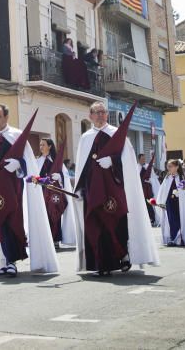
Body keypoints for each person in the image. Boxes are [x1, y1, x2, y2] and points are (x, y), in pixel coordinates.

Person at [0, 105, 58, 277]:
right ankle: (5, 259)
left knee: (12, 223)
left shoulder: (16, 135)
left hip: (13, 190)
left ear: (6, 117)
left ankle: (12, 261)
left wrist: (19, 165)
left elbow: (28, 162)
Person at [74, 101, 159, 276]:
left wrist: (113, 161)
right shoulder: (86, 137)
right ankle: (100, 264)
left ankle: (123, 256)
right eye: (96, 112)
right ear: (90, 116)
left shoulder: (117, 134)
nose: (100, 115)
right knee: (95, 225)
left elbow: (128, 162)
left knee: (116, 223)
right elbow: (82, 166)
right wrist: (80, 188)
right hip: (93, 191)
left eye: (103, 112)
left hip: (114, 188)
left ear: (107, 114)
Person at [34, 137, 77, 248]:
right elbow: (33, 176)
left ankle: (56, 239)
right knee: (44, 216)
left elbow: (66, 176)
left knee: (55, 215)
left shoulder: (57, 161)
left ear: (50, 146)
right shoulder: (37, 161)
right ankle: (45, 240)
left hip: (54, 194)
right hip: (42, 193)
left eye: (43, 144)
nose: (41, 147)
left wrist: (60, 177)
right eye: (40, 145)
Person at [158, 159, 185, 247]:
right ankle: (173, 239)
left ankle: (179, 239)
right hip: (169, 203)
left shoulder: (182, 177)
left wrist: (183, 195)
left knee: (179, 220)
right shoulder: (167, 177)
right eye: (168, 166)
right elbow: (163, 190)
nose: (168, 168)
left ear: (177, 167)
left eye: (170, 166)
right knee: (171, 220)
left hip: (179, 204)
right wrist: (161, 201)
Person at [138, 153, 161, 227]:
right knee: (142, 205)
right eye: (142, 159)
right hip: (140, 190)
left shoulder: (148, 166)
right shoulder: (136, 167)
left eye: (144, 158)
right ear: (139, 159)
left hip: (148, 190)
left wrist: (149, 180)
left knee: (150, 204)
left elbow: (153, 177)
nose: (143, 160)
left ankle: (153, 219)